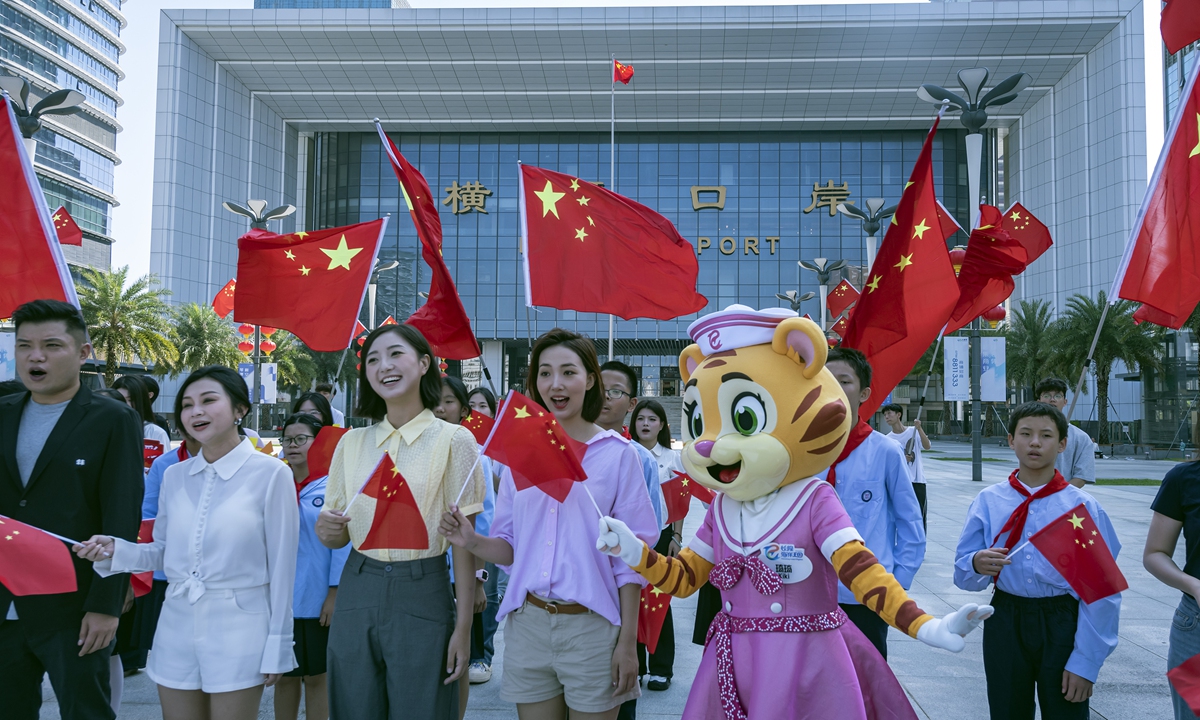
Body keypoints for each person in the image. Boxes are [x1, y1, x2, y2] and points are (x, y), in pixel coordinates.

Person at [439, 328, 659, 720]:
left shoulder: (618, 456)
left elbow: (630, 562)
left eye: (568, 372)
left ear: (590, 380)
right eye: (545, 373)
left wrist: (627, 642)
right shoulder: (520, 455)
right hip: (528, 625)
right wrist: (471, 539)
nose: (555, 384)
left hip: (592, 630)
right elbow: (509, 546)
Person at [74, 364, 300, 720]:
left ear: (240, 409)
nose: (196, 411)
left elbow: (285, 567)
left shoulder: (272, 474)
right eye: (187, 404)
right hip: (177, 622)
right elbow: (164, 551)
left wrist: (279, 643)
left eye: (209, 401)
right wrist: (117, 550)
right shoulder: (175, 475)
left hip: (240, 626)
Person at [315, 324, 486, 720]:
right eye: (372, 359)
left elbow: (463, 541)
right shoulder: (351, 443)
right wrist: (329, 531)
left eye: (395, 354)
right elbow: (337, 534)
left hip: (423, 589)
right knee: (354, 705)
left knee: (422, 707)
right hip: (358, 585)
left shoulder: (454, 440)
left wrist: (463, 628)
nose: (383, 366)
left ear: (425, 363)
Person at [0, 299, 144, 720]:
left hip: (74, 606)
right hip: (5, 601)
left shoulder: (112, 419)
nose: (35, 356)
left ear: (83, 353)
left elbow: (121, 514)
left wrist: (105, 604)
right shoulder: (4, 412)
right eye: (24, 345)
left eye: (51, 345)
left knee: (86, 712)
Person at [954, 401, 1121, 719]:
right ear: (1010, 440)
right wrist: (975, 562)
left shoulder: (1079, 507)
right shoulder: (989, 501)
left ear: (1061, 444)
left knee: (1065, 710)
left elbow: (1102, 591)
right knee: (1007, 709)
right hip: (1005, 616)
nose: (1034, 442)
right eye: (1026, 433)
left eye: (1045, 435)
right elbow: (964, 574)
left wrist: (1086, 662)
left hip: (1061, 620)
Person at [816, 347, 925, 659]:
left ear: (863, 393)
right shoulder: (803, 455)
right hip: (809, 593)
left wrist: (898, 582)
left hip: (865, 596)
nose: (834, 386)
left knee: (866, 687)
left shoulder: (884, 451)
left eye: (845, 381)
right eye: (826, 379)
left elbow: (910, 520)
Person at [275, 413, 350, 720]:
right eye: (287, 439)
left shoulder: (332, 485)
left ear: (317, 443)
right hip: (281, 599)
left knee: (318, 677)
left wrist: (334, 592)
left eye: (301, 439)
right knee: (284, 676)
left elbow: (342, 546)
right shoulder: (274, 483)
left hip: (318, 597)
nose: (293, 446)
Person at [434, 375, 495, 713]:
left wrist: (479, 583)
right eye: (434, 401)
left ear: (463, 410)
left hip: (462, 579)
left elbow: (481, 530)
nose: (440, 409)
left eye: (449, 401)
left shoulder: (477, 459)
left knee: (457, 662)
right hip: (425, 574)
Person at [1144, 421, 1200, 719]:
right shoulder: (1183, 478)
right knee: (1192, 714)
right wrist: (1193, 585)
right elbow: (1155, 554)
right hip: (1195, 626)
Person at [629, 398, 683, 692]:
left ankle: (661, 667)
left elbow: (679, 502)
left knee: (659, 601)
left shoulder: (671, 458)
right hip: (631, 538)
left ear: (662, 425)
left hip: (662, 537)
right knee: (631, 601)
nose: (646, 424)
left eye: (652, 419)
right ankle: (635, 664)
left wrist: (676, 537)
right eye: (641, 419)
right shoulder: (625, 453)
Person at [465, 384, 504, 687]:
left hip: (492, 531)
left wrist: (485, 468)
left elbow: (507, 492)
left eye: (483, 406)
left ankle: (484, 654)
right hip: (461, 532)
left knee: (486, 595)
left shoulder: (500, 445)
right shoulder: (459, 442)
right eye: (472, 405)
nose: (477, 411)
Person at [1034, 378, 1096, 488]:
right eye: (1047, 396)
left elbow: (1081, 477)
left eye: (1057, 396)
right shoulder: (1029, 435)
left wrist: (1058, 493)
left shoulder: (1081, 438)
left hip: (1063, 498)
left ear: (1065, 402)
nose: (1052, 400)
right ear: (1039, 401)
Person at [881, 403, 931, 530]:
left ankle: (921, 545)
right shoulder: (888, 439)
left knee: (920, 516)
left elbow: (927, 446)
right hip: (901, 483)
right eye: (885, 415)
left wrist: (919, 428)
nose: (887, 417)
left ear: (899, 415)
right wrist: (903, 459)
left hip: (917, 481)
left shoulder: (912, 431)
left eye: (889, 413)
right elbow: (887, 463)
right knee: (902, 516)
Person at [114, 375, 173, 469]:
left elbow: (164, 472)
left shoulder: (155, 433)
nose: (125, 405)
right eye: (120, 400)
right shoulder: (105, 430)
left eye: (131, 400)